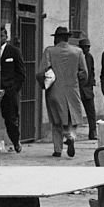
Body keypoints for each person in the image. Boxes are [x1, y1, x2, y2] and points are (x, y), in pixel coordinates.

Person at [37, 25, 87, 158]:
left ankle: (57, 149)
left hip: (55, 90)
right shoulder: (78, 52)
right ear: (67, 38)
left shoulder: (49, 51)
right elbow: (84, 73)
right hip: (72, 90)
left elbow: (41, 72)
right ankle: (71, 136)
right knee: (73, 118)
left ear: (57, 38)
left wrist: (44, 84)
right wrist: (78, 82)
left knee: (56, 120)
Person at [0, 25, 26, 152]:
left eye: (2, 36)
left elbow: (21, 73)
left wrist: (14, 89)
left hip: (9, 90)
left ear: (6, 37)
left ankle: (15, 141)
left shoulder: (13, 51)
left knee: (11, 118)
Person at [77, 37, 97, 141]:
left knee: (91, 112)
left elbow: (92, 71)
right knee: (74, 111)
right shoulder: (76, 56)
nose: (87, 49)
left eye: (88, 47)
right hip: (77, 87)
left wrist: (92, 82)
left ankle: (93, 132)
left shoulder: (89, 57)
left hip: (87, 88)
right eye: (85, 47)